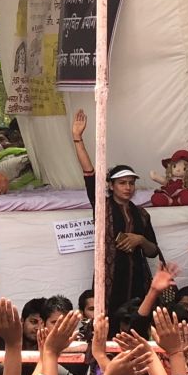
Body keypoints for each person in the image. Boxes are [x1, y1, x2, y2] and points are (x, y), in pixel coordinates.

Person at [72, 110, 161, 314]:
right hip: (109, 283)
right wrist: (77, 138)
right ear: (111, 186)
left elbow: (153, 251)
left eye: (131, 183)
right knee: (107, 325)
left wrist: (140, 240)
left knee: (137, 325)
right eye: (122, 183)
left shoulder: (142, 214)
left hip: (138, 282)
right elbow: (89, 172)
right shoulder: (103, 206)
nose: (128, 187)